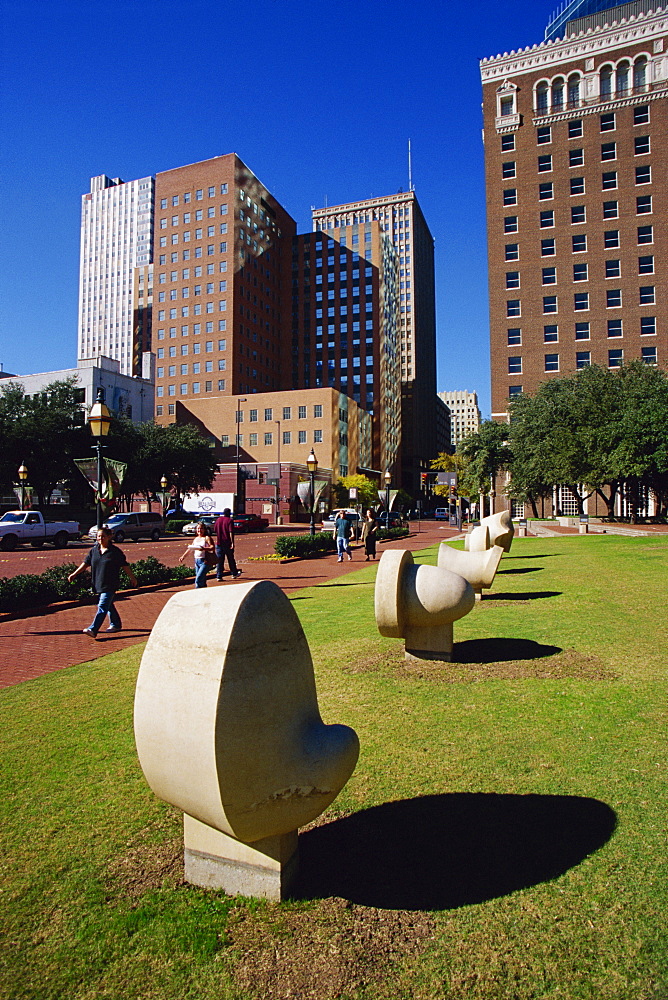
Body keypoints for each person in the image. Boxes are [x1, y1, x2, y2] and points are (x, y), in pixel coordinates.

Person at [68, 526, 138, 639]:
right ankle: (116, 624)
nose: (100, 538)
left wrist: (132, 578)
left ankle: (93, 629)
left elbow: (125, 565)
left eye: (103, 536)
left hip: (110, 584)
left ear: (109, 537)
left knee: (102, 606)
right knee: (108, 605)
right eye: (99, 536)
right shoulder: (94, 551)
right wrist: (74, 574)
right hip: (98, 582)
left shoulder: (115, 552)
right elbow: (85, 563)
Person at [179, 522, 215, 588]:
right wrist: (183, 556)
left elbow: (212, 547)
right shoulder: (196, 539)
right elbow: (190, 549)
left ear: (204, 529)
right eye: (198, 528)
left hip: (205, 561)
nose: (199, 530)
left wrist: (204, 548)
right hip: (197, 561)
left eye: (201, 528)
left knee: (198, 579)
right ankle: (204, 592)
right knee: (202, 579)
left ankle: (197, 592)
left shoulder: (207, 538)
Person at [214, 508, 242, 581]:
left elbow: (215, 530)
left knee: (220, 560)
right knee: (230, 559)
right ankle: (234, 573)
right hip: (227, 543)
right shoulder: (229, 521)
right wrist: (232, 542)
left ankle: (219, 576)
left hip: (219, 542)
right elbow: (231, 532)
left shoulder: (218, 520)